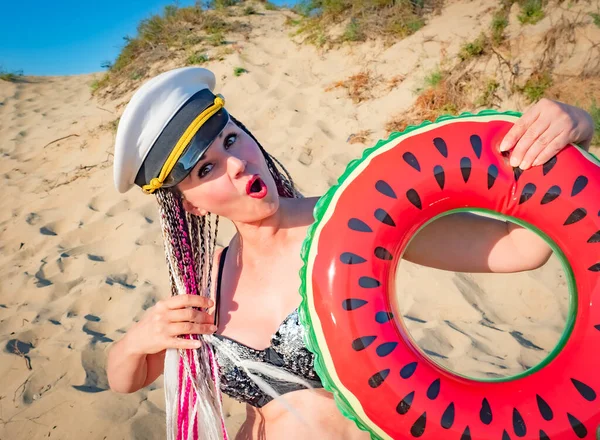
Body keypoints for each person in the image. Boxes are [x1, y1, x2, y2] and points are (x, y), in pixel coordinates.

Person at [106, 67, 595, 440]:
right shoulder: (207, 280)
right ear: (189, 204)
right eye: (207, 168)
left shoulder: (350, 222)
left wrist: (574, 129)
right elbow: (128, 381)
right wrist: (135, 342)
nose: (236, 163)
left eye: (232, 139)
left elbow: (521, 249)